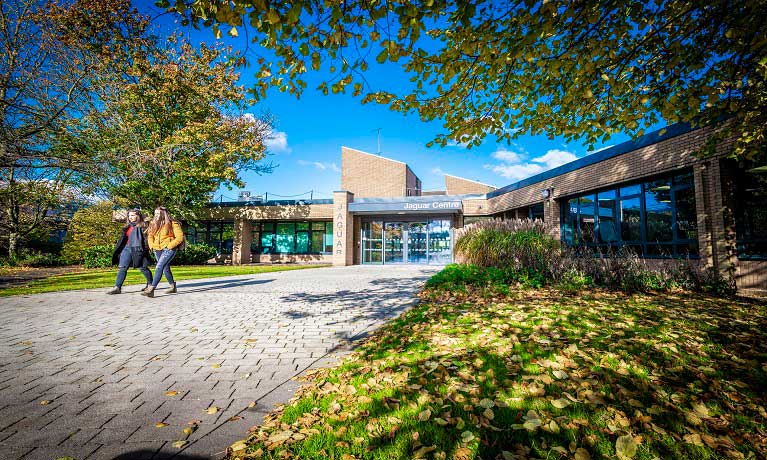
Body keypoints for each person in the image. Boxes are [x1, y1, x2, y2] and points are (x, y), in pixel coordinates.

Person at [107, 209, 153, 294]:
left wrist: (145, 249)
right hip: (127, 248)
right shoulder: (128, 226)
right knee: (122, 267)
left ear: (138, 216)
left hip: (139, 249)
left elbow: (147, 239)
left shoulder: (144, 226)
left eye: (132, 215)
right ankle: (117, 287)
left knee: (143, 268)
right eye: (129, 215)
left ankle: (150, 284)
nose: (130, 217)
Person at [143, 206, 184, 298]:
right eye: (155, 213)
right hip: (157, 249)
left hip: (168, 249)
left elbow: (179, 237)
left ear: (163, 214)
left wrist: (169, 246)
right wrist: (152, 246)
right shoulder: (153, 223)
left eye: (158, 213)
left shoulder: (173, 223)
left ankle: (151, 290)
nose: (156, 215)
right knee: (165, 268)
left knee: (159, 267)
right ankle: (173, 286)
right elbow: (150, 236)